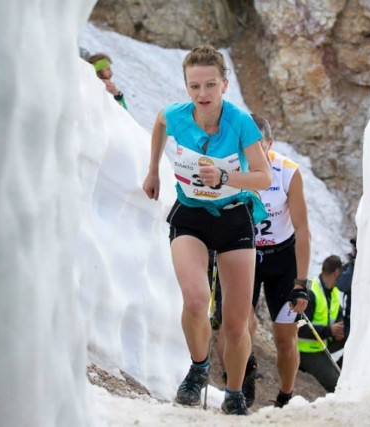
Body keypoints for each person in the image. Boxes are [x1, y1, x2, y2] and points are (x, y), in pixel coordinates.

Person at [141, 45, 272, 416]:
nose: (203, 94)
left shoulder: (241, 122)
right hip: (191, 216)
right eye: (194, 86)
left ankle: (233, 392)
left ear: (225, 84)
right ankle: (199, 368)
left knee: (234, 322)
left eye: (210, 85)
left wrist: (227, 176)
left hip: (234, 219)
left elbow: (263, 177)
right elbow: (160, 122)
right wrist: (153, 169)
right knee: (197, 300)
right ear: (186, 85)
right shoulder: (177, 115)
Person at [210, 114, 312, 409]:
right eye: (246, 147)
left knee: (284, 338)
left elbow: (303, 230)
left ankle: (285, 397)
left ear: (270, 143)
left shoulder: (287, 172)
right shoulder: (230, 169)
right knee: (235, 327)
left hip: (282, 258)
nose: (254, 154)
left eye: (259, 146)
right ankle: (238, 382)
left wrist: (301, 283)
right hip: (244, 253)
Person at [297, 255, 345, 393]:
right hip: (306, 350)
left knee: (352, 336)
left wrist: (341, 326)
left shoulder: (333, 291)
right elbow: (299, 327)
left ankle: (340, 370)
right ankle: (331, 373)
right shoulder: (311, 292)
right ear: (336, 272)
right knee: (337, 386)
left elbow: (337, 313)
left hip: (322, 343)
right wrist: (330, 330)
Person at [337, 237, 356, 340]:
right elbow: (341, 283)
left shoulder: (356, 268)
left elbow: (344, 284)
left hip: (356, 317)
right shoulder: (352, 266)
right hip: (350, 316)